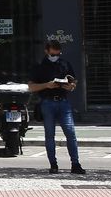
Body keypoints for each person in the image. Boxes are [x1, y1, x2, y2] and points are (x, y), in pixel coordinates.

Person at [29, 40, 85, 175]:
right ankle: (53, 165)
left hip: (63, 101)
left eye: (58, 54)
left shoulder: (65, 64)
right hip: (47, 102)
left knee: (71, 134)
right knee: (50, 135)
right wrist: (46, 85)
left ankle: (75, 164)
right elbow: (31, 87)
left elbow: (73, 84)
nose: (55, 56)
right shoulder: (40, 67)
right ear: (46, 51)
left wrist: (70, 86)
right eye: (53, 54)